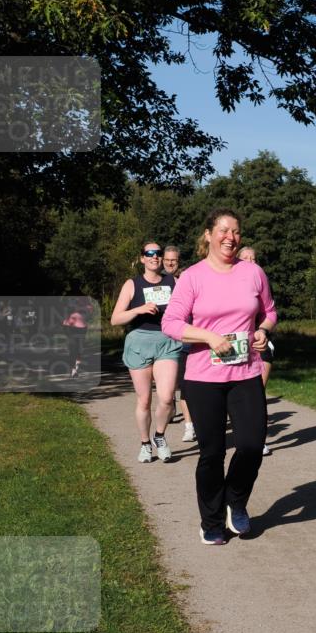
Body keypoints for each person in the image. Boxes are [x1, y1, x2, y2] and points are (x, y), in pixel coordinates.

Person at [162, 209, 277, 546]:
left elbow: (269, 311)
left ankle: (236, 501)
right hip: (203, 378)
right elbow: (171, 323)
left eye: (236, 231)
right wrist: (208, 337)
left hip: (246, 372)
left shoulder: (253, 273)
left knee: (252, 445)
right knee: (212, 453)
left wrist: (263, 329)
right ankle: (211, 521)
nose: (230, 237)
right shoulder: (193, 277)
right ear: (209, 235)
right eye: (223, 230)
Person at [110, 242, 182, 463]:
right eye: (149, 253)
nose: (155, 257)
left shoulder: (174, 282)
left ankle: (159, 436)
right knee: (144, 401)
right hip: (139, 341)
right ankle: (144, 444)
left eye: (158, 253)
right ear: (142, 258)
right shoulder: (132, 284)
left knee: (167, 398)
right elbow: (115, 319)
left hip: (166, 341)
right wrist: (139, 309)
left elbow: (187, 309)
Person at [238, 245, 274, 455]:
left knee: (258, 392)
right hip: (238, 343)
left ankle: (260, 439)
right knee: (241, 394)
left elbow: (271, 312)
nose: (250, 261)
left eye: (254, 258)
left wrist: (263, 329)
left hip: (261, 341)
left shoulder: (262, 281)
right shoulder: (230, 283)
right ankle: (244, 435)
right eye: (246, 258)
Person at [161, 245, 195, 441]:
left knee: (186, 385)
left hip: (186, 340)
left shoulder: (185, 278)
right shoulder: (158, 281)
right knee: (169, 385)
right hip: (164, 340)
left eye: (173, 260)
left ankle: (190, 424)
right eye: (167, 259)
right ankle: (168, 407)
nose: (170, 263)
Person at [62, 298, 92, 378]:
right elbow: (63, 308)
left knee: (79, 348)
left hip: (81, 327)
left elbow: (89, 311)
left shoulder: (85, 299)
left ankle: (76, 368)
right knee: (73, 347)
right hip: (69, 326)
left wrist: (80, 309)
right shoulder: (68, 298)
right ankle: (73, 369)